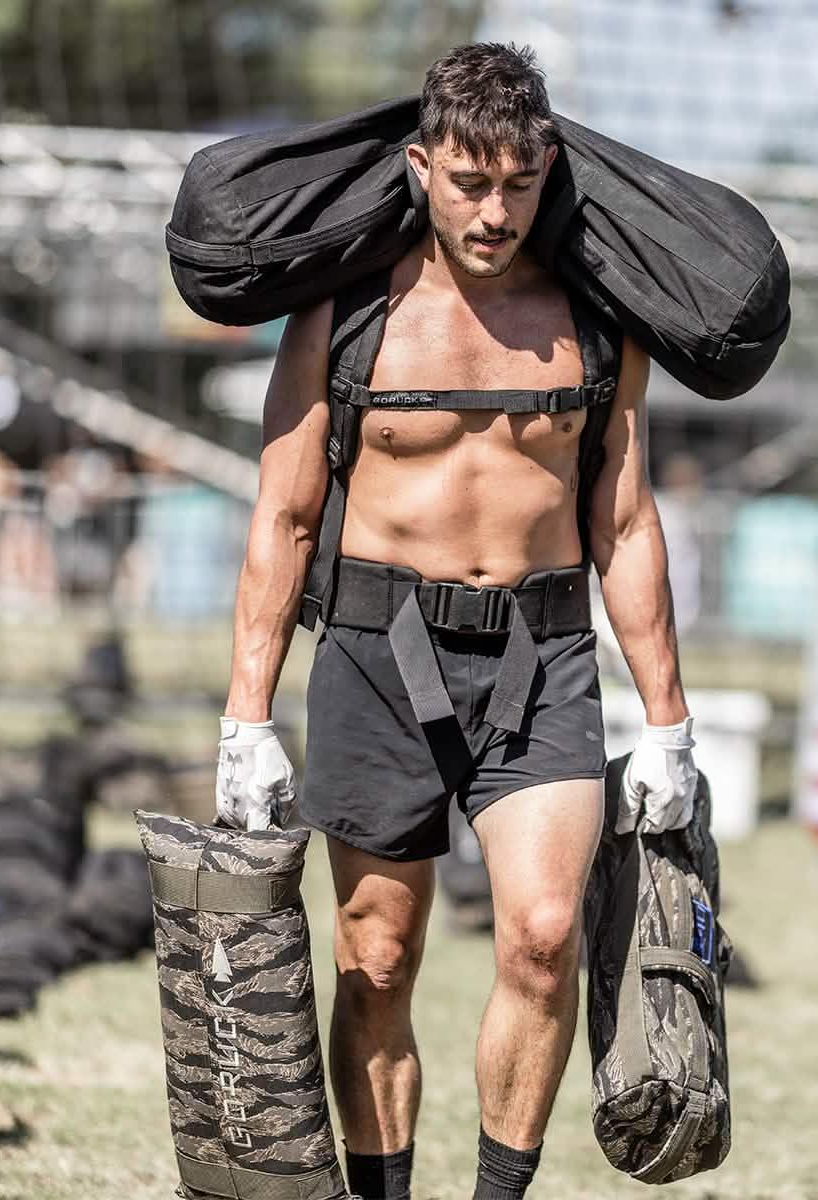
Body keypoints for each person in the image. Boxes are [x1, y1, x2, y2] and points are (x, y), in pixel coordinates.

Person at [215, 43, 697, 1200]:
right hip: (377, 657)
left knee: (540, 935)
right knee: (376, 957)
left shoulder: (596, 316)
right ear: (422, 166)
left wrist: (669, 722)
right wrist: (247, 719)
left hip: (546, 655)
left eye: (519, 184)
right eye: (471, 182)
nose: (494, 211)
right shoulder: (346, 309)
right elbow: (283, 518)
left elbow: (624, 522)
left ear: (549, 171)